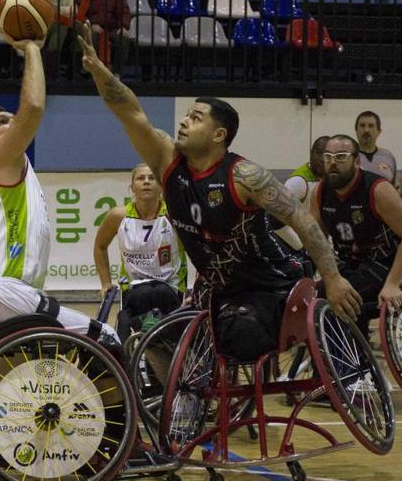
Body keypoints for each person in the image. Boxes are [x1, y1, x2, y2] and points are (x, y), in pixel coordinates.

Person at [77, 22, 361, 362]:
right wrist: (99, 72)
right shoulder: (167, 162)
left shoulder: (244, 176)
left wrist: (332, 277)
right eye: (186, 115)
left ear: (218, 135)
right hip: (217, 289)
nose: (183, 121)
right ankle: (186, 409)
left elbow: (302, 220)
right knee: (157, 336)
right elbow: (131, 112)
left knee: (234, 335)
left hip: (270, 286)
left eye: (196, 118)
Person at [0, 34, 119, 349]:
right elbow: (32, 107)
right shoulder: (0, 160)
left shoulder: (16, 169)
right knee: (107, 337)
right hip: (5, 291)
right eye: (2, 122)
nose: (14, 123)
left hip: (3, 293)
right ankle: (126, 400)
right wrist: (33, 48)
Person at [311, 134, 402, 338]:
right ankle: (331, 362)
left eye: (341, 156)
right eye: (328, 157)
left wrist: (392, 283)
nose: (333, 162)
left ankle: (352, 362)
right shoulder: (319, 193)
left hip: (385, 261)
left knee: (346, 295)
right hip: (349, 262)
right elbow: (315, 241)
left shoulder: (378, 190)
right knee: (313, 296)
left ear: (357, 161)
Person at [93, 163, 188, 343]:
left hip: (170, 288)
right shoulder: (118, 216)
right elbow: (100, 246)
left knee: (159, 291)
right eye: (141, 178)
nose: (146, 182)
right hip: (135, 289)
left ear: (161, 186)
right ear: (132, 187)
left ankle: (154, 343)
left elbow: (197, 248)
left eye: (152, 178)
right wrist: (105, 283)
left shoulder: (174, 215)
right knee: (143, 294)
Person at [275, 135, 329, 250]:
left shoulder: (332, 179)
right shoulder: (298, 182)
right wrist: (302, 247)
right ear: (310, 153)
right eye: (318, 153)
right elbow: (275, 218)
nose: (322, 159)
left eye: (327, 155)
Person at [76, 0, 130, 76]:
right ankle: (92, 71)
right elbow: (80, 12)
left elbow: (123, 11)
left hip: (112, 28)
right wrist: (91, 24)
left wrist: (123, 26)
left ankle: (116, 73)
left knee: (123, 39)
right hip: (92, 26)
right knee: (92, 38)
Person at [354, 111, 400, 189]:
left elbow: (396, 189)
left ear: (379, 131)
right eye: (362, 126)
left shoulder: (388, 156)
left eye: (371, 126)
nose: (366, 130)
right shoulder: (349, 157)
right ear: (356, 130)